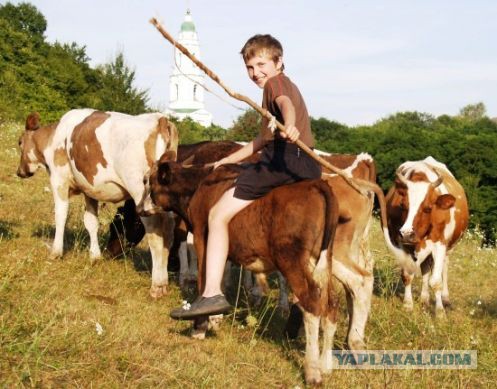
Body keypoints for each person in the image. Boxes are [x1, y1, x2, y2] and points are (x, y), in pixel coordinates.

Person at [170, 34, 321, 319]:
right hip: (309, 164)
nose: (256, 73)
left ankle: (212, 293)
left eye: (261, 64)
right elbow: (260, 141)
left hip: (282, 162)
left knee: (217, 215)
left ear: (279, 61)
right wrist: (226, 160)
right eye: (250, 67)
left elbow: (285, 103)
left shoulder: (276, 85)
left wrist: (289, 125)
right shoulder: (285, 87)